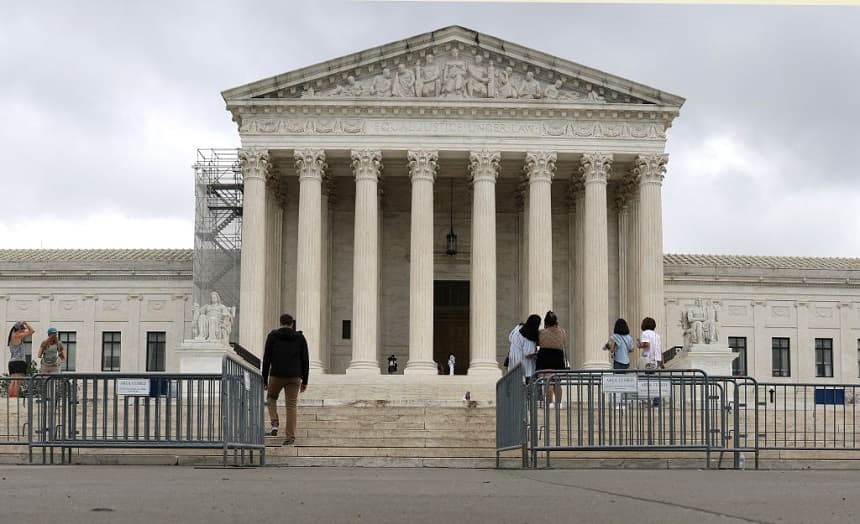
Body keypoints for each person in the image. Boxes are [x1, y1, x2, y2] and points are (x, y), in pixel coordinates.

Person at [262, 314, 309, 446]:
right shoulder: (300, 337)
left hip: (276, 375)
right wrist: (305, 380)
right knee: (291, 406)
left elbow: (267, 359)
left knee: (271, 397)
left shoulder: (273, 336)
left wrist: (264, 379)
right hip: (295, 376)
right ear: (292, 324)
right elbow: (305, 360)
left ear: (280, 323)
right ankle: (290, 437)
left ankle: (275, 422)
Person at [537, 311, 567, 405]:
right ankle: (559, 403)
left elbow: (538, 343)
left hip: (545, 357)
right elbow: (563, 342)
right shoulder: (562, 331)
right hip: (558, 357)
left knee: (548, 381)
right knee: (557, 381)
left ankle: (550, 402)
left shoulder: (541, 332)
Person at [7, 321, 35, 397]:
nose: (24, 331)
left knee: (13, 381)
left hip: (12, 362)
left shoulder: (12, 337)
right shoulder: (17, 336)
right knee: (18, 381)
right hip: (19, 361)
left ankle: (11, 398)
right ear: (19, 329)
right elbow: (32, 331)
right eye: (23, 329)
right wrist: (25, 323)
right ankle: (15, 397)